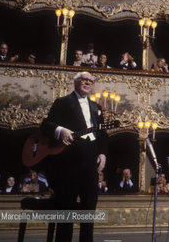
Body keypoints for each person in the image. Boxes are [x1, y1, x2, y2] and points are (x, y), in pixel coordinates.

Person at [40, 71, 107, 242]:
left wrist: (102, 153)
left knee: (89, 211)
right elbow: (45, 125)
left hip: (91, 163)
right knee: (66, 211)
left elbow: (103, 134)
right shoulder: (63, 102)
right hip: (69, 164)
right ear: (76, 82)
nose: (88, 83)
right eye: (84, 79)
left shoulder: (96, 107)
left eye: (91, 81)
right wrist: (60, 130)